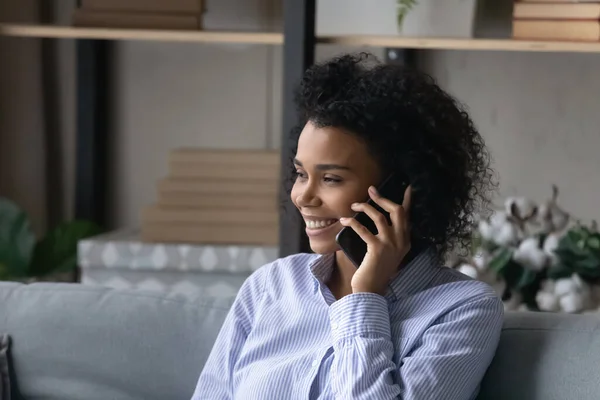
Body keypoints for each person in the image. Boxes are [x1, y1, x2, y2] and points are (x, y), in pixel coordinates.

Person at [192, 53, 503, 400]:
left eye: (331, 178)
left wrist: (366, 297)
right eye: (300, 174)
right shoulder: (269, 289)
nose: (303, 197)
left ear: (401, 190)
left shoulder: (462, 308)